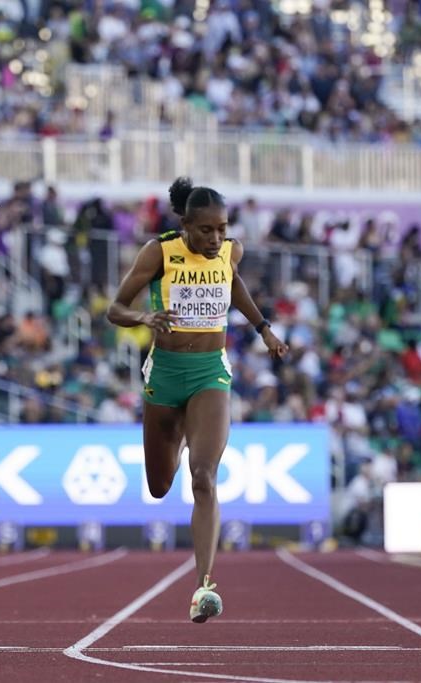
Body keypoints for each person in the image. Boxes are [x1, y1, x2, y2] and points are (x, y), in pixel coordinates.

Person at [107, 177, 288, 624]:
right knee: (159, 485)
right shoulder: (159, 252)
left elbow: (234, 282)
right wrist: (144, 316)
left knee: (204, 478)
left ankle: (204, 586)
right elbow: (115, 308)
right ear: (185, 225)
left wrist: (263, 327)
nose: (215, 238)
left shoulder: (230, 252)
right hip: (165, 377)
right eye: (206, 230)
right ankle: (180, 432)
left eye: (222, 229)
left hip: (210, 373)